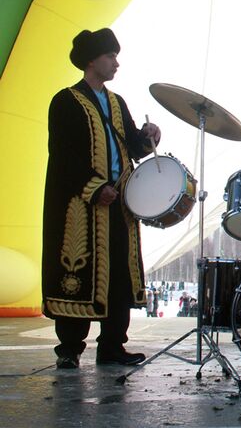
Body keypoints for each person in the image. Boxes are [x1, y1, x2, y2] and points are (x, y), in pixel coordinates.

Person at [42, 28, 161, 369]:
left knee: (120, 273)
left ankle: (112, 345)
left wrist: (148, 136)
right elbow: (63, 154)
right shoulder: (65, 101)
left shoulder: (116, 102)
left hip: (119, 203)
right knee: (79, 268)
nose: (116, 63)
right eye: (110, 56)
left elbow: (133, 147)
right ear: (92, 60)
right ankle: (69, 347)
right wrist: (94, 187)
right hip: (83, 204)